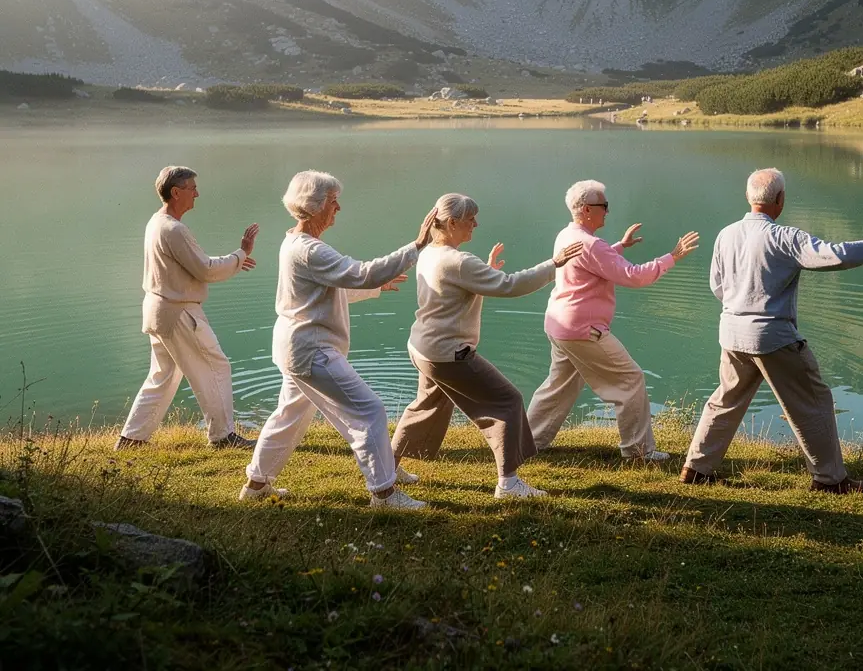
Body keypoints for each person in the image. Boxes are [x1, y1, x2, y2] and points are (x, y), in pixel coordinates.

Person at [681, 167, 863, 493]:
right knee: (813, 402)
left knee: (725, 401)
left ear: (748, 197)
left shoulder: (726, 234)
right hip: (772, 338)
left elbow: (718, 286)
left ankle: (696, 469)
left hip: (731, 333)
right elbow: (836, 256)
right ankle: (831, 480)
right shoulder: (785, 238)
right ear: (780, 200)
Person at [239, 171, 436, 508]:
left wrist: (374, 287)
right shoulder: (310, 250)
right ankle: (384, 494)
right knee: (370, 410)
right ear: (313, 206)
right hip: (311, 350)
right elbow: (362, 272)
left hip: (294, 345)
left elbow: (323, 292)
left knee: (288, 416)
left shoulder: (294, 243)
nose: (338, 207)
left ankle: (256, 486)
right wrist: (417, 245)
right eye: (332, 201)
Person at [390, 193, 584, 499]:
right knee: (507, 401)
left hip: (423, 348)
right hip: (448, 354)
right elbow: (509, 285)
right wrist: (554, 264)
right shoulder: (459, 261)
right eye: (471, 219)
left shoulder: (429, 252)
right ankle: (508, 484)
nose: (475, 224)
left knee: (425, 406)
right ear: (452, 222)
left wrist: (487, 271)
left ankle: (388, 467)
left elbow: (453, 291)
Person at [526, 180, 700, 460]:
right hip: (583, 331)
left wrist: (619, 246)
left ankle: (526, 442)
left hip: (560, 325)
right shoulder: (593, 245)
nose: (607, 211)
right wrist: (673, 256)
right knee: (631, 380)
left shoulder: (567, 235)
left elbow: (591, 263)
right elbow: (633, 276)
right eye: (603, 206)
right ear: (585, 210)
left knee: (558, 387)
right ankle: (637, 451)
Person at [117, 166, 259, 451]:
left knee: (163, 375)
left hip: (158, 310)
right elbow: (204, 269)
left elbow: (195, 263)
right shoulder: (175, 229)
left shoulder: (156, 223)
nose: (197, 193)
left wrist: (233, 260)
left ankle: (131, 439)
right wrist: (241, 252)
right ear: (176, 192)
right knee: (216, 365)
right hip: (179, 312)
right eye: (192, 188)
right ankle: (223, 436)